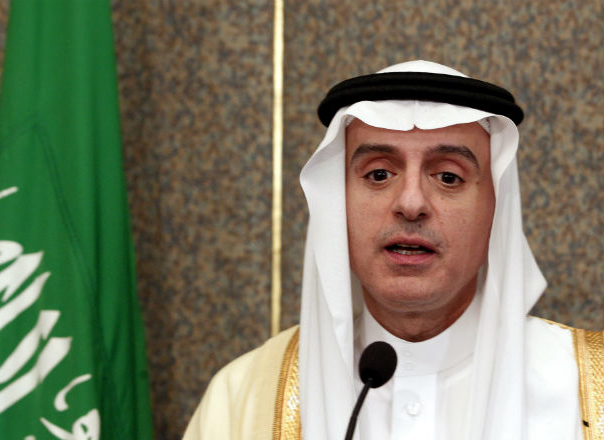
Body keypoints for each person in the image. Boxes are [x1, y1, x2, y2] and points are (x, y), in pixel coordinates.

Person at [183, 60, 603, 440]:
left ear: (497, 210)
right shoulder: (242, 400)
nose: (411, 203)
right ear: (335, 205)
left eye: (448, 177)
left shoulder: (589, 393)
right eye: (379, 174)